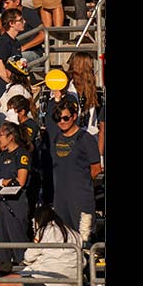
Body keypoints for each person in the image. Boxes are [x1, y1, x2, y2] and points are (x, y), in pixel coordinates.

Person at [0, 206, 80, 286]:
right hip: (73, 283)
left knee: (2, 284)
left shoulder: (44, 231)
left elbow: (29, 256)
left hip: (48, 280)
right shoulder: (75, 234)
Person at [47, 94, 102, 250]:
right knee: (64, 238)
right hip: (60, 198)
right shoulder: (56, 137)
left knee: (83, 239)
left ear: (74, 116)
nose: (62, 122)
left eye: (65, 118)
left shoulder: (85, 138)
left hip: (80, 197)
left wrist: (80, 181)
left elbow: (96, 168)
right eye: (58, 119)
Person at [0, 121, 33, 269]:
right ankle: (4, 269)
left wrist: (2, 182)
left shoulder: (22, 154)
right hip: (2, 200)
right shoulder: (4, 155)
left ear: (11, 136)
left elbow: (21, 180)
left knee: (17, 237)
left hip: (15, 201)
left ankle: (23, 270)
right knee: (1, 237)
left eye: (0, 135)